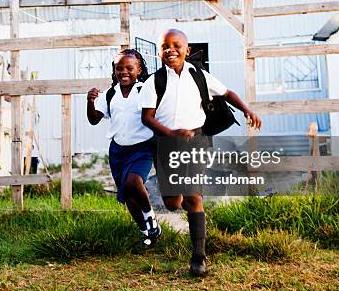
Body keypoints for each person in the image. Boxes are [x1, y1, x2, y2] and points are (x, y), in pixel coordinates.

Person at [140, 29, 262, 276]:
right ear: (159, 52)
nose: (170, 50)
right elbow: (147, 118)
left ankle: (199, 257)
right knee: (173, 203)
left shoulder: (200, 76)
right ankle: (180, 198)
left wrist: (247, 110)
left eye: (176, 46)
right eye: (165, 46)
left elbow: (228, 94)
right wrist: (171, 134)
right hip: (166, 144)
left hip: (197, 140)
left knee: (194, 196)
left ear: (187, 50)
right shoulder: (155, 81)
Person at [87, 49, 162, 246]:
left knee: (133, 182)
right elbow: (94, 119)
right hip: (118, 150)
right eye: (119, 68)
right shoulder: (110, 94)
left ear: (139, 70)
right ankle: (146, 233)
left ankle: (151, 218)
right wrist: (90, 101)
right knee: (128, 194)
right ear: (114, 70)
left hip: (142, 147)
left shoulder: (145, 90)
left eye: (130, 68)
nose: (124, 72)